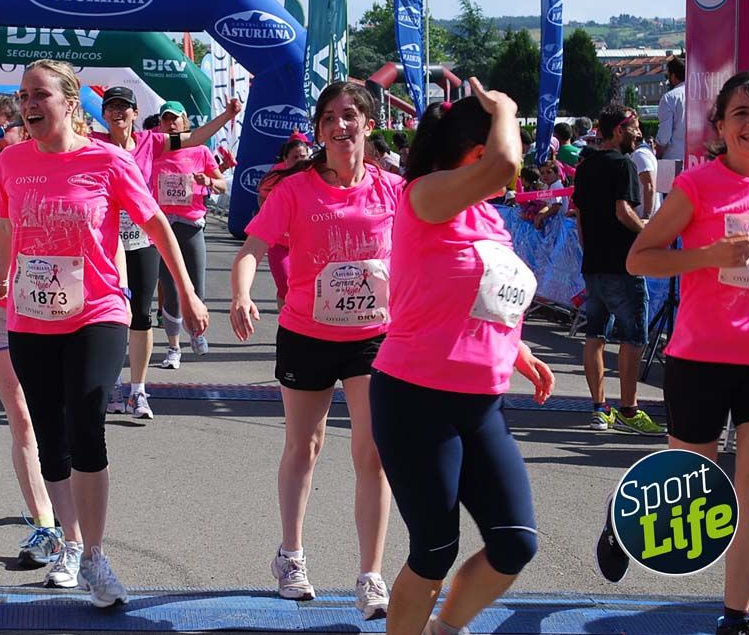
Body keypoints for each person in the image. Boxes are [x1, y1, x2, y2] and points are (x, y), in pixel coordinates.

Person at [0, 59, 209, 608]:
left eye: (40, 94)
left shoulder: (108, 160)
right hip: (30, 316)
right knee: (51, 436)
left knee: (87, 423)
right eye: (24, 94)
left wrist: (190, 291)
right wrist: (0, 274)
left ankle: (97, 555)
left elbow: (154, 225)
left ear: (70, 103)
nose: (30, 103)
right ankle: (71, 544)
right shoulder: (12, 161)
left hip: (98, 310)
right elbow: (8, 221)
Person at [370, 81, 554, 635]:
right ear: (477, 152)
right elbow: (504, 164)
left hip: (482, 403)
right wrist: (508, 107)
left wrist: (514, 346)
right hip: (414, 398)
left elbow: (475, 291)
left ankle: (443, 630)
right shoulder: (423, 195)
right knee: (433, 549)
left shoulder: (487, 218)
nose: (512, 173)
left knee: (514, 542)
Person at [600, 71, 749, 635]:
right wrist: (707, 255)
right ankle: (622, 516)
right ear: (721, 127)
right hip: (701, 357)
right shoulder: (698, 186)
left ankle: (736, 616)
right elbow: (639, 259)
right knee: (693, 483)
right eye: (742, 114)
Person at [230, 82, 400, 619]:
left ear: (368, 126)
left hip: (373, 337)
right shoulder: (296, 191)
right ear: (320, 130)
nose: (339, 125)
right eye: (329, 117)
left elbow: (432, 248)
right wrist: (240, 294)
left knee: (372, 454)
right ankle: (291, 555)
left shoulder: (393, 189)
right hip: (307, 333)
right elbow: (252, 249)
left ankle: (371, 576)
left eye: (349, 115)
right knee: (304, 447)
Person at [0, 92, 75, 575]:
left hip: (60, 307)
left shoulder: (47, 170)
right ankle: (48, 525)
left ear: (22, 128)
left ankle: (75, 511)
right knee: (22, 415)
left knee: (63, 418)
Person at [92, 86, 241, 418]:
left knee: (142, 313)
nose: (118, 112)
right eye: (111, 107)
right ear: (104, 114)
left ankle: (138, 392)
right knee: (114, 314)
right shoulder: (93, 142)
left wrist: (228, 116)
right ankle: (114, 386)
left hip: (142, 237)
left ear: (134, 113)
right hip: (105, 240)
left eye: (124, 107)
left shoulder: (150, 141)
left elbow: (193, 138)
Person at [571, 105, 665, 435]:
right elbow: (624, 210)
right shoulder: (624, 164)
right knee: (633, 336)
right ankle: (629, 408)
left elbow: (579, 215)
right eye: (635, 128)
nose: (639, 134)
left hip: (594, 263)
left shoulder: (585, 166)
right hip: (623, 263)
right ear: (620, 130)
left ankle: (599, 408)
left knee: (594, 335)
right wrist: (649, 233)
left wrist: (588, 249)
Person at [153, 100, 226, 371]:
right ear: (160, 124)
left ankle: (197, 331)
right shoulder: (154, 150)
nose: (171, 123)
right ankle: (173, 348)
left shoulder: (200, 151)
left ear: (185, 122)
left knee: (196, 285)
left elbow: (221, 184)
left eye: (176, 119)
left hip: (191, 224)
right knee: (170, 289)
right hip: (162, 226)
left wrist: (208, 182)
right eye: (166, 119)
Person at [257, 133, 312, 312]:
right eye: (295, 157)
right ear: (286, 159)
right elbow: (262, 199)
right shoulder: (276, 176)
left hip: (306, 244)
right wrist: (271, 219)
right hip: (280, 244)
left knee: (307, 289)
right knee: (285, 285)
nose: (299, 161)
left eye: (303, 156)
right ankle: (285, 323)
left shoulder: (317, 176)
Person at [656, 57, 686, 165]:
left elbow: (664, 135)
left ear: (673, 75)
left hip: (673, 159)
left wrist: (657, 154)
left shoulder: (669, 98)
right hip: (698, 158)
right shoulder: (699, 96)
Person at [629, 133, 661, 220]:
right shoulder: (641, 153)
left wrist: (646, 217)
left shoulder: (640, 154)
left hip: (643, 219)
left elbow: (649, 185)